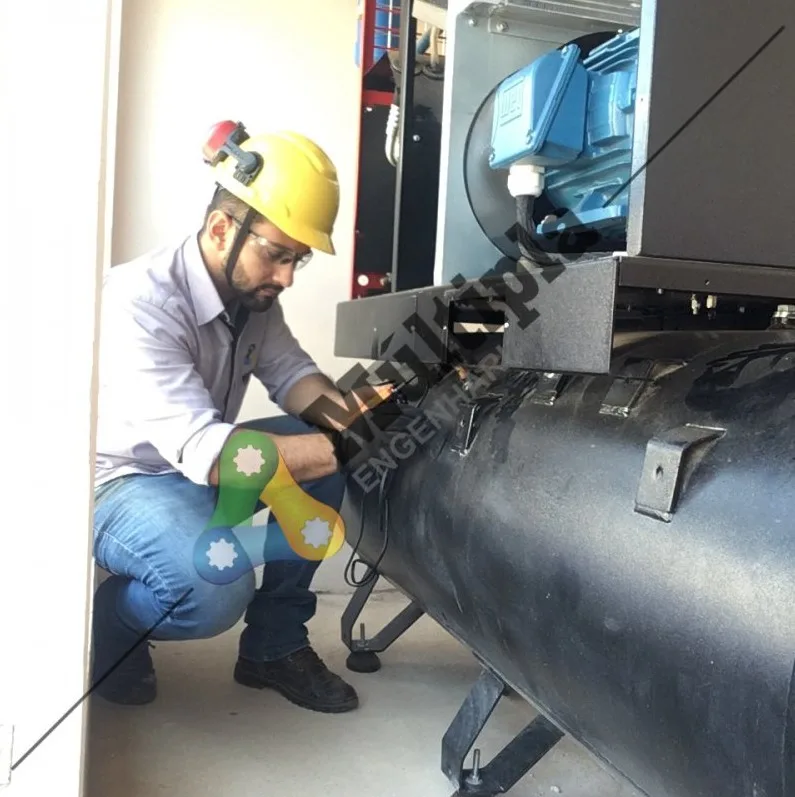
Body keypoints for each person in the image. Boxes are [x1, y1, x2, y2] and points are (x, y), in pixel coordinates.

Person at [91, 122, 385, 713]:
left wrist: (358, 412)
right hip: (125, 483)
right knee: (214, 586)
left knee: (316, 458)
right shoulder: (139, 302)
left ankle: (272, 648)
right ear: (223, 228)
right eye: (278, 256)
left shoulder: (250, 298)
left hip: (199, 465)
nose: (286, 278)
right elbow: (215, 455)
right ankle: (111, 631)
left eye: (297, 260)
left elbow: (293, 377)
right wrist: (344, 443)